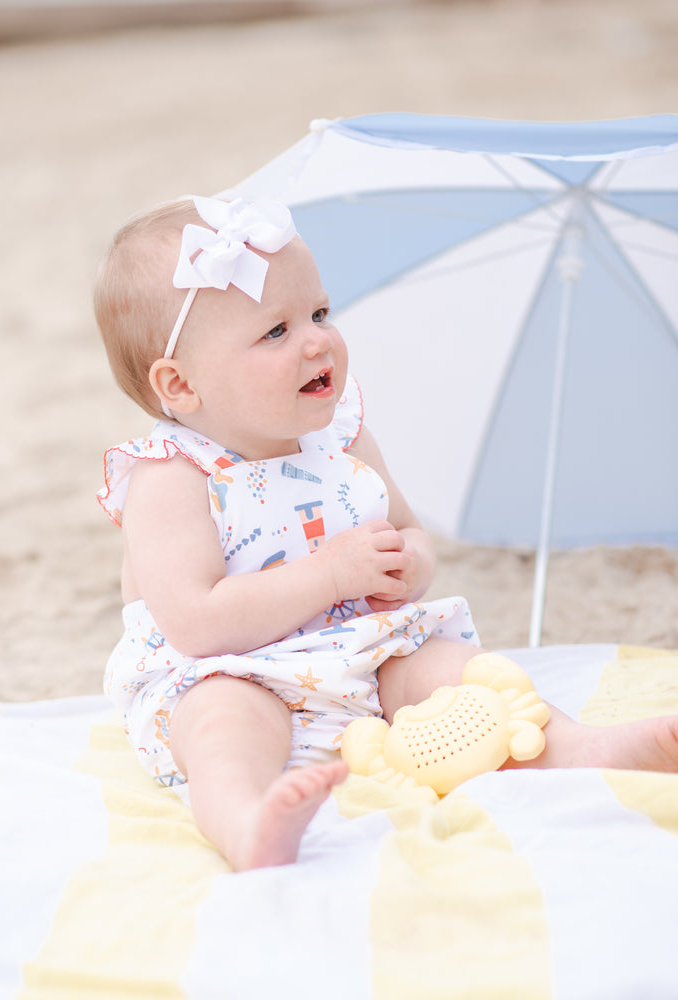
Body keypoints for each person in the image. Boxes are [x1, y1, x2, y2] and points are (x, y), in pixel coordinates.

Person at [94, 196, 678, 872]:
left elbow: (404, 528)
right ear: (181, 385)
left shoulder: (341, 434)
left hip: (365, 652)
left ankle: (580, 748)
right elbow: (196, 623)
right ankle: (247, 820)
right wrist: (330, 575)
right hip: (232, 669)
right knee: (222, 727)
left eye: (318, 312)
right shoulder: (172, 477)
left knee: (461, 678)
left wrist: (410, 562)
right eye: (275, 331)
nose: (317, 340)